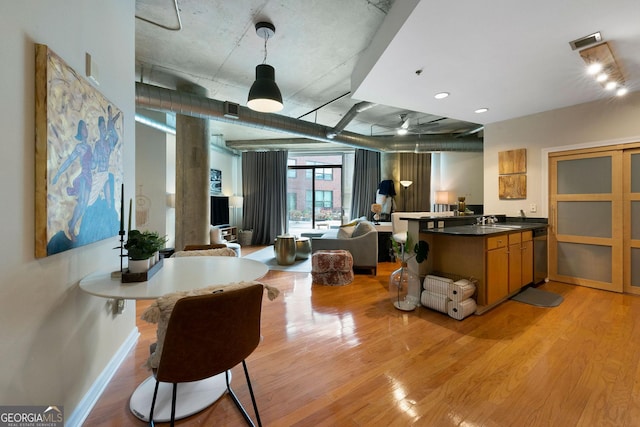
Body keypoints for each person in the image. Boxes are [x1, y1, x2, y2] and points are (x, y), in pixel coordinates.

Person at [52, 120, 92, 239]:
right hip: (84, 176)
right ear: (80, 132)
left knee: (84, 205)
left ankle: (72, 223)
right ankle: (71, 228)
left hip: (90, 176)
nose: (86, 130)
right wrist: (58, 173)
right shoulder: (80, 147)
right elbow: (69, 160)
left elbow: (93, 164)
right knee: (82, 202)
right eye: (84, 128)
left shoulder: (89, 146)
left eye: (86, 127)